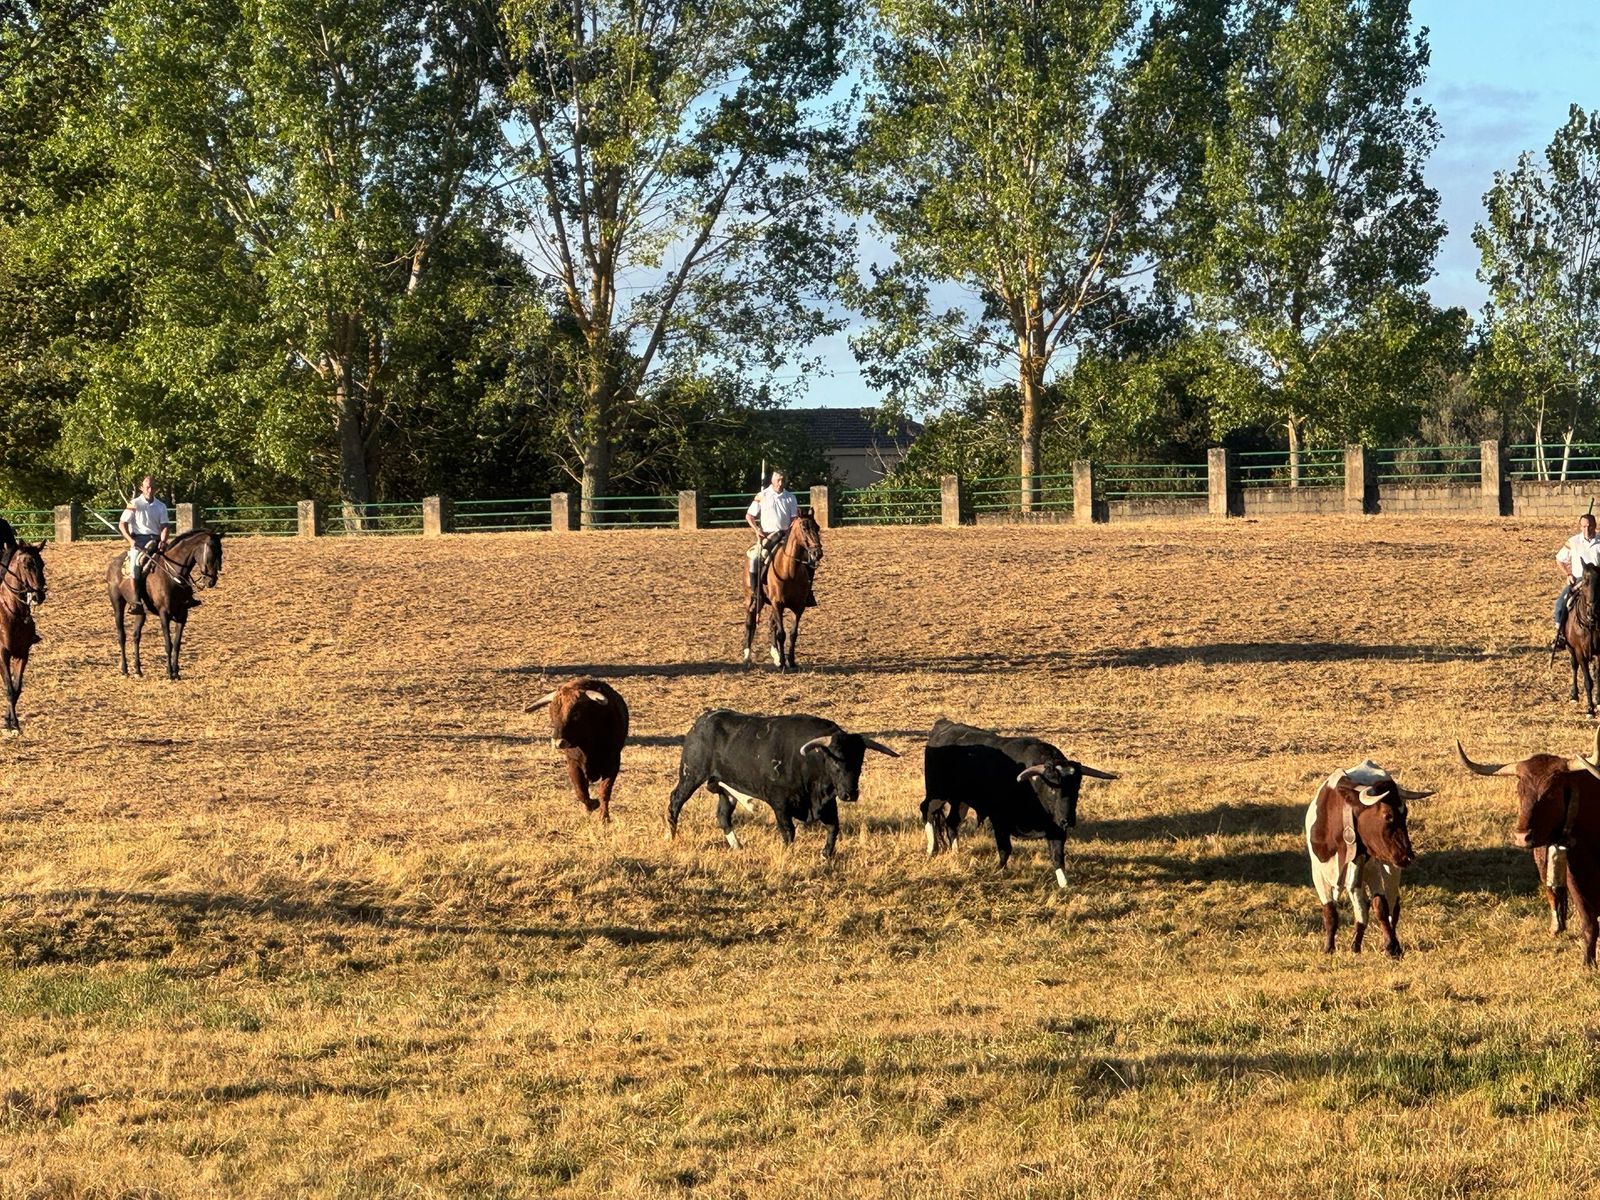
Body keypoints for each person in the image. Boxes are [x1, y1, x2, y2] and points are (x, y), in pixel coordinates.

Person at [119, 475, 170, 614]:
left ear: (156, 488)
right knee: (134, 567)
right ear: (142, 488)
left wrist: (164, 541)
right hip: (140, 541)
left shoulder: (161, 506)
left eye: (152, 487)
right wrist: (131, 540)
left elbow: (165, 526)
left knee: (176, 559)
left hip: (157, 540)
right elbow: (122, 524)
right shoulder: (133, 503)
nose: (150, 489)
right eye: (147, 487)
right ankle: (136, 602)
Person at [744, 469, 798, 597]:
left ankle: (806, 592)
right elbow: (749, 516)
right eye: (778, 480)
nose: (780, 483)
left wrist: (790, 530)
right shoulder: (762, 495)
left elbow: (794, 518)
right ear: (772, 480)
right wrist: (757, 530)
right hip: (768, 535)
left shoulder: (791, 497)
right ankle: (755, 591)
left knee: (806, 558)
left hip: (786, 535)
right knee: (756, 558)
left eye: (783, 480)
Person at [1553, 512, 1600, 650]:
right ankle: (1560, 635)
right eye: (1584, 526)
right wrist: (1568, 574)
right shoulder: (1573, 542)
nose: (1586, 529)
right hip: (1579, 580)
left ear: (1595, 526)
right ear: (1580, 527)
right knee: (1560, 604)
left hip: (1597, 582)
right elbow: (1560, 559)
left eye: (1589, 526)